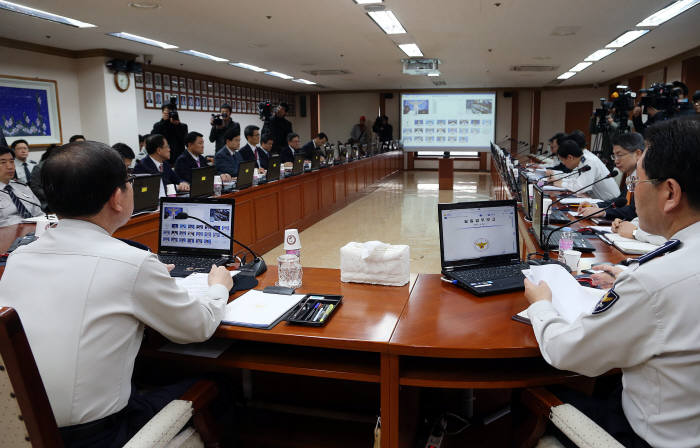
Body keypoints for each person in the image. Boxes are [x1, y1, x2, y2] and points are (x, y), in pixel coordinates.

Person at [0, 141, 233, 447]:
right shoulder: (130, 263)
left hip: (24, 427)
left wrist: (146, 276)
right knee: (221, 386)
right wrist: (219, 287)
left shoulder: (18, 258)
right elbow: (198, 327)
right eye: (130, 182)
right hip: (97, 437)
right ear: (116, 198)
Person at [524, 118, 700, 448]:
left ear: (671, 192)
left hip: (646, 437)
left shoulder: (653, 284)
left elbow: (568, 352)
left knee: (527, 393)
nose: (632, 190)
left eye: (638, 182)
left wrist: (541, 305)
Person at [579, 132, 644, 220]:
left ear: (638, 154)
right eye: (614, 156)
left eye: (619, 155)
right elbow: (621, 201)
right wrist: (596, 206)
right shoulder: (632, 176)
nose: (616, 161)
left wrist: (603, 212)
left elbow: (633, 211)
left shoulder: (646, 178)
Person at [549, 139, 620, 201]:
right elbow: (574, 178)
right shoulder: (581, 160)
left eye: (562, 160)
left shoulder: (589, 161)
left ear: (570, 157)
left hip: (610, 203)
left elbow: (580, 187)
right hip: (597, 201)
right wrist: (558, 180)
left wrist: (561, 183)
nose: (563, 164)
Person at [0, 145, 43, 227]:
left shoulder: (22, 187)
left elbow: (39, 214)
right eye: (3, 162)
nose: (10, 167)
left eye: (12, 161)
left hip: (36, 232)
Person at [30, 143, 60, 210]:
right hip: (46, 202)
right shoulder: (39, 168)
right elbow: (36, 188)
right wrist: (52, 197)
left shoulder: (63, 166)